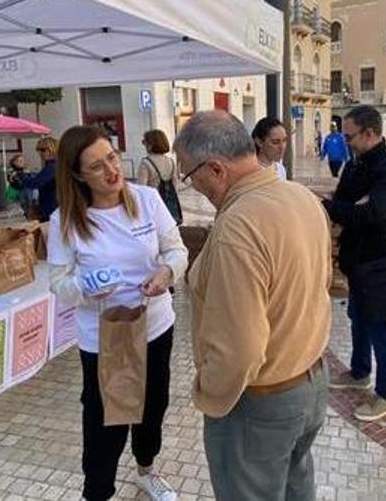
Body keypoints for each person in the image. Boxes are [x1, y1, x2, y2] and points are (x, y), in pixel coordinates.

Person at [173, 110, 331, 501]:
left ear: (215, 169)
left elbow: (239, 348)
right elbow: (320, 284)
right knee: (297, 487)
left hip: (261, 402)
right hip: (311, 382)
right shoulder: (300, 196)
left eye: (190, 176)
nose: (195, 187)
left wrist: (209, 392)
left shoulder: (238, 225)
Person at [46, 126, 185, 501]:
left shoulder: (146, 199)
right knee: (104, 422)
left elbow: (176, 249)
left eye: (112, 157)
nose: (111, 170)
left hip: (155, 325)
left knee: (152, 405)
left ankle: (146, 471)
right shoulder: (64, 220)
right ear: (77, 175)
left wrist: (167, 272)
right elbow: (58, 283)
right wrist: (86, 288)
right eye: (96, 166)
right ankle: (97, 493)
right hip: (103, 338)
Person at [322, 105, 386, 422]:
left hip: (381, 262)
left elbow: (373, 212)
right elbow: (346, 203)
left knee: (378, 326)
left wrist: (339, 208)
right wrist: (347, 208)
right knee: (357, 317)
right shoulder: (356, 164)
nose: (346, 141)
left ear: (370, 133)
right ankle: (360, 372)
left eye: (349, 136)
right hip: (357, 258)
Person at [137, 129, 182, 226]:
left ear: (151, 144)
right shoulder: (171, 162)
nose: (144, 145)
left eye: (144, 142)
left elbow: (141, 189)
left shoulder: (146, 163)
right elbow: (175, 186)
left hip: (153, 206)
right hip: (168, 206)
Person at [16, 136, 59, 221]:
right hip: (53, 207)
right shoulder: (54, 165)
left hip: (52, 208)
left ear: (52, 149)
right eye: (38, 150)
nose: (40, 153)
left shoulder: (52, 166)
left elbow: (36, 183)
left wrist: (21, 175)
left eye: (43, 150)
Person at [252, 116, 289, 181]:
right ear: (259, 142)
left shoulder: (280, 169)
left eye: (284, 140)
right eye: (275, 142)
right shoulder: (252, 171)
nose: (282, 147)